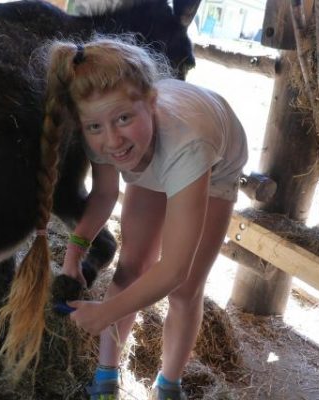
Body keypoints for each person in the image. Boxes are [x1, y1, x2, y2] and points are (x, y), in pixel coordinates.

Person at [44, 37, 248, 400]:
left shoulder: (189, 145)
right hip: (151, 152)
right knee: (130, 268)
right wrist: (75, 250)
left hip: (213, 163)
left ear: (151, 102)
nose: (112, 140)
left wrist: (105, 313)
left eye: (124, 118)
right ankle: (105, 380)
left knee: (185, 288)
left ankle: (168, 385)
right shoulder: (103, 132)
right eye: (95, 127)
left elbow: (173, 270)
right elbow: (105, 195)